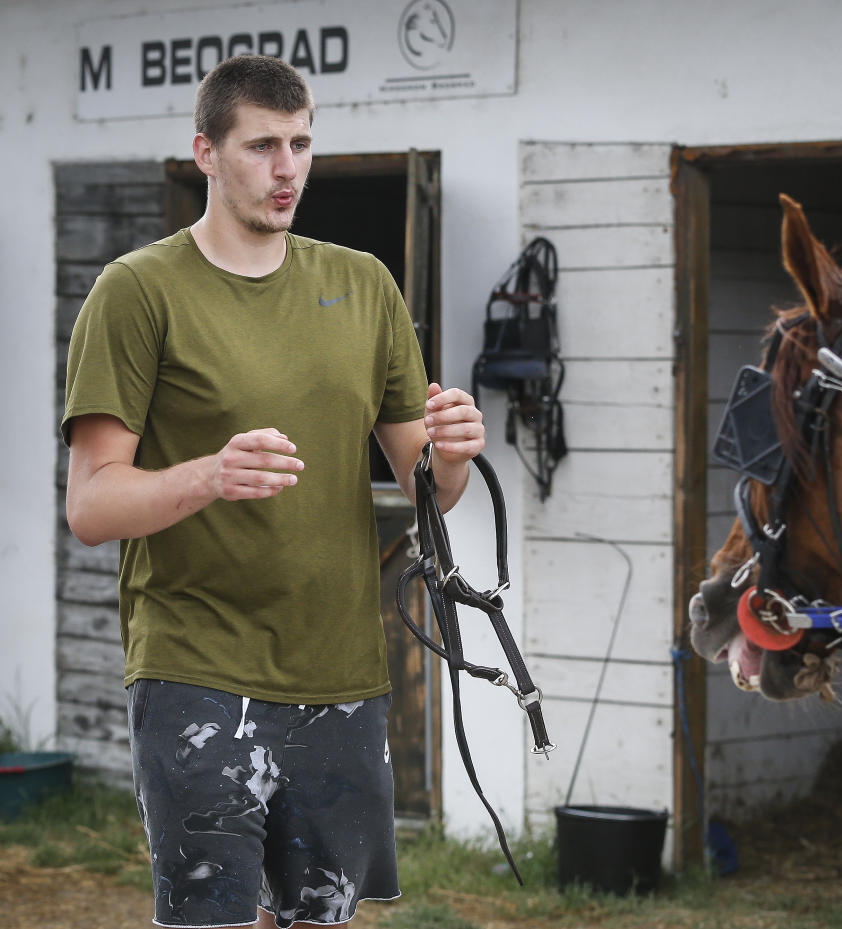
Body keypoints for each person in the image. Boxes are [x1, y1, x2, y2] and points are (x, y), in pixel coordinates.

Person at [61, 54, 484, 929]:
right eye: (262, 145)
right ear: (206, 153)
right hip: (195, 668)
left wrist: (454, 456)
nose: (287, 167)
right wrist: (208, 475)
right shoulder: (138, 291)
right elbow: (92, 504)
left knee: (317, 921)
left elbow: (429, 487)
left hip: (338, 670)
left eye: (301, 143)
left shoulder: (364, 284)